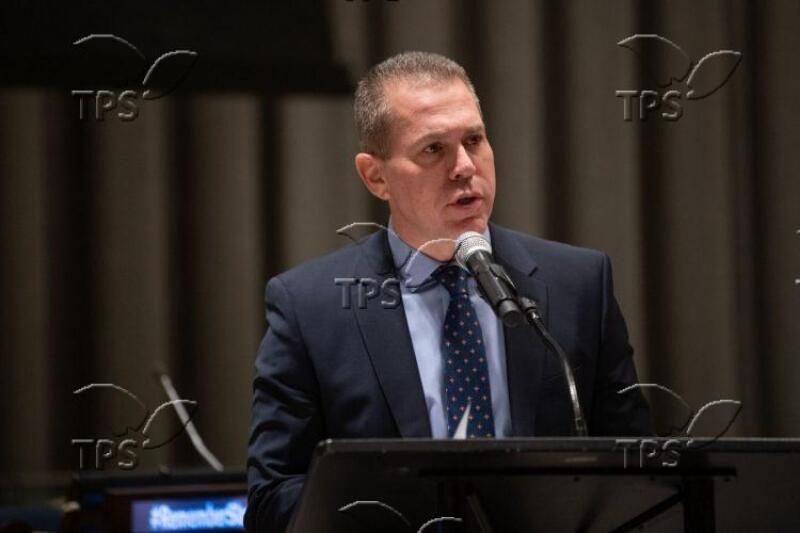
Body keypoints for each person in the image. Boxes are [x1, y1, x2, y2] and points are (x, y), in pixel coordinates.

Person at [245, 51, 651, 532]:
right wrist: (414, 500)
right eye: (433, 149)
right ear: (376, 176)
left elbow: (639, 471)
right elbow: (272, 500)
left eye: (474, 140)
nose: (464, 167)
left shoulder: (579, 284)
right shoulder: (310, 307)